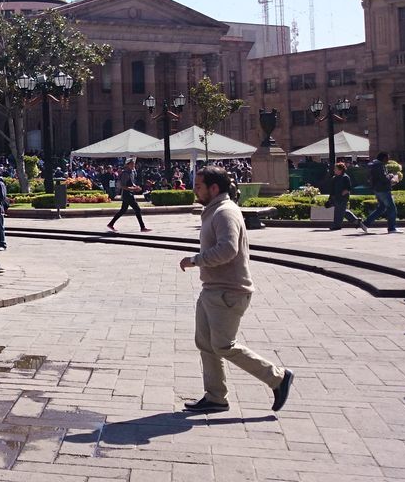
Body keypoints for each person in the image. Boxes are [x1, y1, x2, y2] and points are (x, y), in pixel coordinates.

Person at [178, 166, 293, 414]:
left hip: (229, 293)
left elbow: (228, 249)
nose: (194, 190)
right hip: (213, 290)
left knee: (223, 346)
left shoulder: (225, 213)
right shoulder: (214, 210)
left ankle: (278, 378)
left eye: (198, 186)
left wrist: (196, 260)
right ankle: (215, 397)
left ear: (214, 188)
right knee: (206, 344)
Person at [107, 159, 152, 233]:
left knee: (123, 210)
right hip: (127, 194)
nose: (133, 165)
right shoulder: (125, 173)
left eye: (134, 164)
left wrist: (136, 187)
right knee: (137, 209)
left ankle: (111, 224)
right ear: (127, 165)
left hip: (129, 193)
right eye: (131, 164)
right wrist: (133, 189)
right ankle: (142, 227)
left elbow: (131, 183)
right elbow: (122, 186)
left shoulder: (132, 172)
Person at [362, 152, 400, 234]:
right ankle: (392, 228)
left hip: (377, 189)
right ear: (383, 158)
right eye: (387, 158)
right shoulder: (379, 166)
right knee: (392, 208)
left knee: (381, 208)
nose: (388, 160)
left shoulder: (373, 165)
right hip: (383, 189)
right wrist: (392, 176)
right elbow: (384, 178)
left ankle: (365, 223)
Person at [326, 162, 367, 232]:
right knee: (342, 211)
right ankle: (357, 221)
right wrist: (331, 198)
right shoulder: (335, 178)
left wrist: (342, 194)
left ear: (340, 170)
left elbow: (348, 188)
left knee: (338, 212)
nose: (334, 170)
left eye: (336, 169)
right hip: (336, 197)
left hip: (343, 198)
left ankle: (337, 225)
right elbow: (332, 189)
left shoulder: (345, 177)